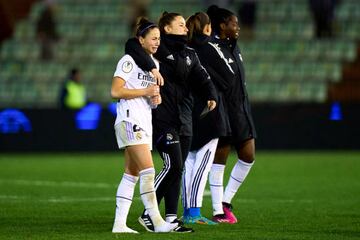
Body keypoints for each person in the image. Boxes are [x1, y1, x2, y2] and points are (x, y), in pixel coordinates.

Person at [124, 11, 218, 232]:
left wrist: (210, 94)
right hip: (162, 118)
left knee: (178, 169)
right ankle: (149, 213)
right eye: (181, 25)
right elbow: (131, 45)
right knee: (173, 165)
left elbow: (202, 77)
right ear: (166, 28)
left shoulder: (189, 54)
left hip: (184, 118)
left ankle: (171, 218)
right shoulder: (157, 48)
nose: (186, 29)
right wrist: (152, 67)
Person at [110, 18, 178, 233]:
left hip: (143, 122)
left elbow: (149, 96)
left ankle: (119, 224)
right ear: (141, 39)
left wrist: (154, 100)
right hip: (129, 120)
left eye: (159, 39)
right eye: (153, 38)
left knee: (132, 173)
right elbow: (116, 91)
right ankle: (157, 222)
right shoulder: (128, 60)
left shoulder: (154, 65)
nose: (157, 42)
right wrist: (145, 92)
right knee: (149, 171)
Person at [206, 5, 257, 224]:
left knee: (248, 156)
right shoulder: (212, 47)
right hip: (224, 109)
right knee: (220, 159)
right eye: (234, 23)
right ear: (222, 25)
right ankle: (218, 211)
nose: (237, 27)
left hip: (241, 108)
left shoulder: (234, 46)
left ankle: (226, 201)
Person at [182, 11, 232, 225]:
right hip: (209, 110)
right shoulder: (210, 48)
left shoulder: (184, 49)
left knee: (188, 161)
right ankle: (194, 213)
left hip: (187, 109)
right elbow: (230, 76)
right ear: (208, 28)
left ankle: (187, 210)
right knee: (203, 163)